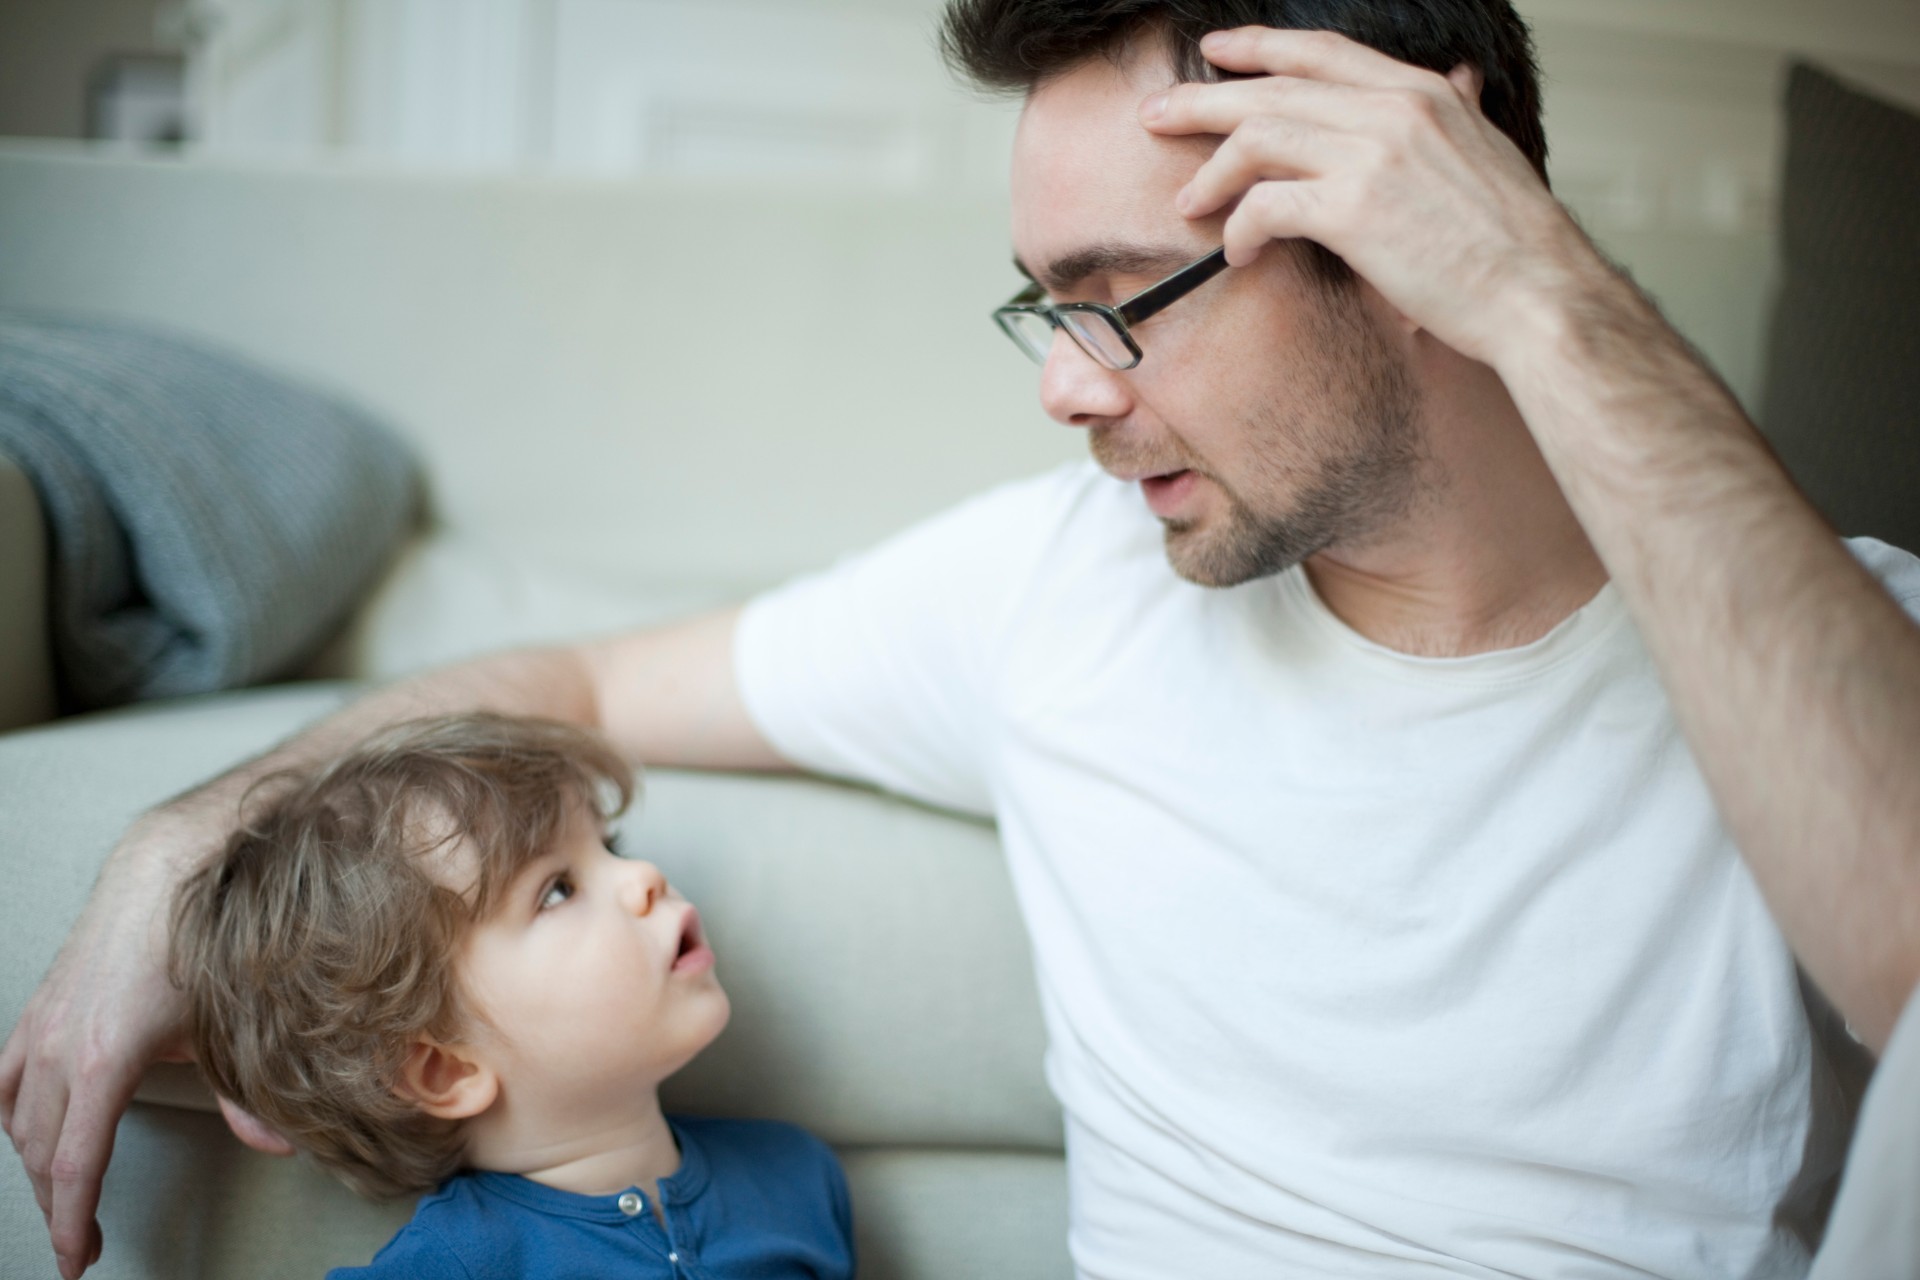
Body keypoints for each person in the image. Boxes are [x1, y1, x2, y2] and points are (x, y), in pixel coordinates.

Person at [7, 1, 1920, 1276]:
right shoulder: (1056, 589)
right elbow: (573, 688)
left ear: (1415, 231)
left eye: (1126, 298)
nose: (1068, 391)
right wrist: (184, 842)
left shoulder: (1833, 639)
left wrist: (1544, 291)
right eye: (1045, 309)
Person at [169, 712, 854, 1279]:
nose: (644, 874)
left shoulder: (795, 1176)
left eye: (612, 847)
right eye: (557, 890)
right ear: (446, 1068)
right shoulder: (457, 1264)